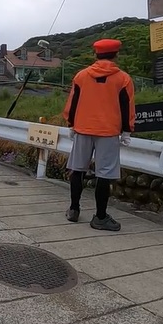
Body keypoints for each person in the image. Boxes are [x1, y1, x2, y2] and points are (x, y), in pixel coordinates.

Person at [62, 38, 136, 231]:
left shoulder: (81, 76)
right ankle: (100, 217)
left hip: (82, 129)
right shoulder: (123, 79)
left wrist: (71, 124)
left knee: (77, 169)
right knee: (105, 174)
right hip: (108, 132)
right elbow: (127, 107)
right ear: (116, 55)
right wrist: (127, 131)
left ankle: (74, 209)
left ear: (96, 54)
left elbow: (73, 102)